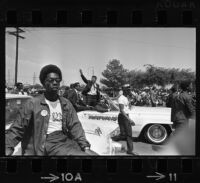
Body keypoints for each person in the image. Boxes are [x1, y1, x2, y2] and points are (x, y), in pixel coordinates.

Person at [6, 64, 97, 156]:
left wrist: (85, 147)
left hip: (65, 140)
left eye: (57, 80)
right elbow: (18, 128)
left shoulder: (66, 103)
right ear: (43, 83)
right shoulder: (33, 103)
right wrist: (8, 146)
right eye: (51, 80)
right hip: (47, 142)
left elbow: (75, 126)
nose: (55, 83)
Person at [112, 88, 138, 156]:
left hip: (125, 116)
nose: (130, 91)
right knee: (129, 134)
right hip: (123, 116)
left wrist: (131, 100)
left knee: (123, 134)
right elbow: (122, 110)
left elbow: (129, 107)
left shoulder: (126, 98)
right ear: (125, 91)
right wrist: (129, 120)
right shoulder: (121, 98)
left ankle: (109, 140)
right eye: (128, 90)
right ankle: (130, 150)